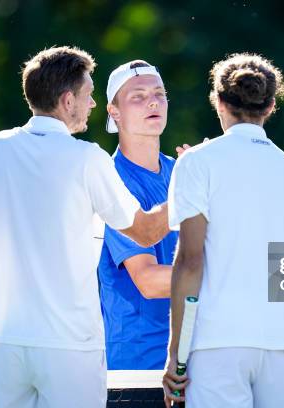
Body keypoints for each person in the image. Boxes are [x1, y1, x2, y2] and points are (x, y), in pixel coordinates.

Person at [0, 46, 169, 408]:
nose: (92, 105)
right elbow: (147, 232)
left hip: (7, 347)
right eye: (88, 96)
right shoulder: (88, 158)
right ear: (66, 100)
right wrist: (192, 188)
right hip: (71, 347)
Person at [162, 53, 284, 408]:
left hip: (218, 345)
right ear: (270, 105)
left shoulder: (197, 163)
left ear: (217, 100)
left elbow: (189, 261)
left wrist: (176, 355)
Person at [98, 59, 178, 369]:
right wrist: (234, 277)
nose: (153, 101)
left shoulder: (185, 171)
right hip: (138, 369)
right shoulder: (109, 180)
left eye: (159, 93)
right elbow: (148, 280)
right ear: (113, 111)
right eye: (138, 96)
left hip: (194, 363)